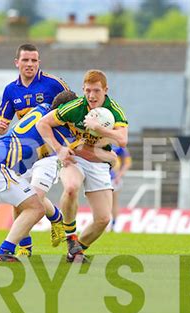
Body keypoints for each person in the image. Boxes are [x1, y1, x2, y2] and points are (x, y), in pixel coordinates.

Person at [0, 91, 115, 262]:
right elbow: (85, 151)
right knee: (35, 208)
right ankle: (5, 252)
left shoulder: (41, 109)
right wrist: (111, 156)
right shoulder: (62, 133)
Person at [37, 69, 128, 262]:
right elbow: (42, 124)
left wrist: (99, 128)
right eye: (87, 90)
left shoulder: (114, 110)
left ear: (105, 90)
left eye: (96, 90)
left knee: (103, 219)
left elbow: (122, 139)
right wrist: (59, 149)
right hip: (73, 158)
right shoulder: (75, 107)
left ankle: (75, 252)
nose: (91, 95)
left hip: (98, 163)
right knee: (71, 188)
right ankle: (71, 238)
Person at [0, 43, 70, 254]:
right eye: (25, 60)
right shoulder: (11, 90)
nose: (30, 64)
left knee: (34, 198)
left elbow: (72, 107)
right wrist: (0, 127)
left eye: (34, 60)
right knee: (19, 199)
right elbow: (3, 125)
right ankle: (25, 247)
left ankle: (55, 217)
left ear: (39, 62)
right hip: (24, 154)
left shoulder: (54, 84)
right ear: (16, 62)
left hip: (49, 153)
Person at [109, 145, 132, 231]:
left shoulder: (119, 146)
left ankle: (113, 224)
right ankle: (102, 222)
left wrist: (119, 175)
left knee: (114, 201)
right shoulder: (99, 140)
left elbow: (127, 163)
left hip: (113, 178)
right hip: (100, 177)